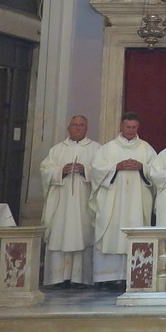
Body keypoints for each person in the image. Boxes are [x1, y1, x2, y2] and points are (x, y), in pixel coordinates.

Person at [89, 112, 155, 288]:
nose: (130, 130)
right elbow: (95, 170)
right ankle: (107, 278)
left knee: (134, 233)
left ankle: (133, 276)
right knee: (112, 233)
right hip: (113, 201)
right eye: (128, 127)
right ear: (121, 126)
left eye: (134, 127)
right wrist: (115, 167)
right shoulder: (108, 148)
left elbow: (156, 171)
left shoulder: (146, 148)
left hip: (136, 201)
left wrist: (142, 167)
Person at [39, 115, 98, 287]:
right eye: (75, 125)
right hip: (61, 204)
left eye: (81, 125)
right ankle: (57, 278)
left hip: (83, 202)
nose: (78, 128)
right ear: (68, 127)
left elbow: (102, 172)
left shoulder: (96, 149)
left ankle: (81, 279)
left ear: (86, 128)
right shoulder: (57, 150)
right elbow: (44, 170)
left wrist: (86, 171)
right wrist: (60, 171)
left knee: (83, 234)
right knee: (59, 234)